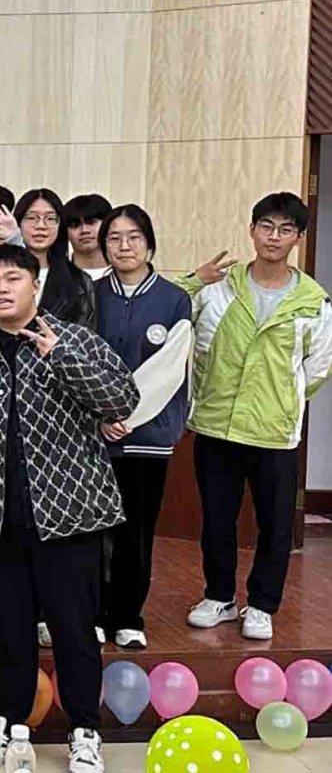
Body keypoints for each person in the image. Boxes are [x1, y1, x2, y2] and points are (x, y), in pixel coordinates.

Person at [0, 245, 138, 773]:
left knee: (74, 630)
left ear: (36, 284)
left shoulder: (76, 340)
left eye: (13, 278)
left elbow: (121, 401)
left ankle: (84, 731)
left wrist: (59, 356)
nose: (1, 289)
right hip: (0, 521)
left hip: (70, 517)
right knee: (10, 633)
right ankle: (8, 724)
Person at [182, 192, 332, 642]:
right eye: (266, 226)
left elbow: (317, 368)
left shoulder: (314, 302)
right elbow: (169, 314)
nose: (274, 236)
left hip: (274, 432)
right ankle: (219, 597)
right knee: (217, 520)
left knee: (276, 525)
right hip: (216, 423)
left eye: (286, 229)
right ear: (252, 230)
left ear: (298, 238)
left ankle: (262, 604)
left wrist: (283, 399)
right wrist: (192, 280)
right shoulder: (218, 288)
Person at [92, 205, 191, 650]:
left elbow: (169, 370)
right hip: (96, 438)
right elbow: (78, 363)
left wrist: (126, 417)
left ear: (149, 243)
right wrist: (100, 417)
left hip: (148, 437)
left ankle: (129, 617)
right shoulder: (91, 294)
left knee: (136, 532)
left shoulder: (174, 300)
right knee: (95, 532)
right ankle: (95, 614)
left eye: (133, 236)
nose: (124, 245)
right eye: (114, 237)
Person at [16, 189, 95, 328]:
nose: (41, 226)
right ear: (18, 223)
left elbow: (85, 335)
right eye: (31, 218)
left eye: (50, 218)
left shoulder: (80, 282)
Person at [63, 194, 114, 280]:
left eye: (91, 222)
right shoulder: (56, 275)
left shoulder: (126, 272)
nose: (84, 230)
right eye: (75, 225)